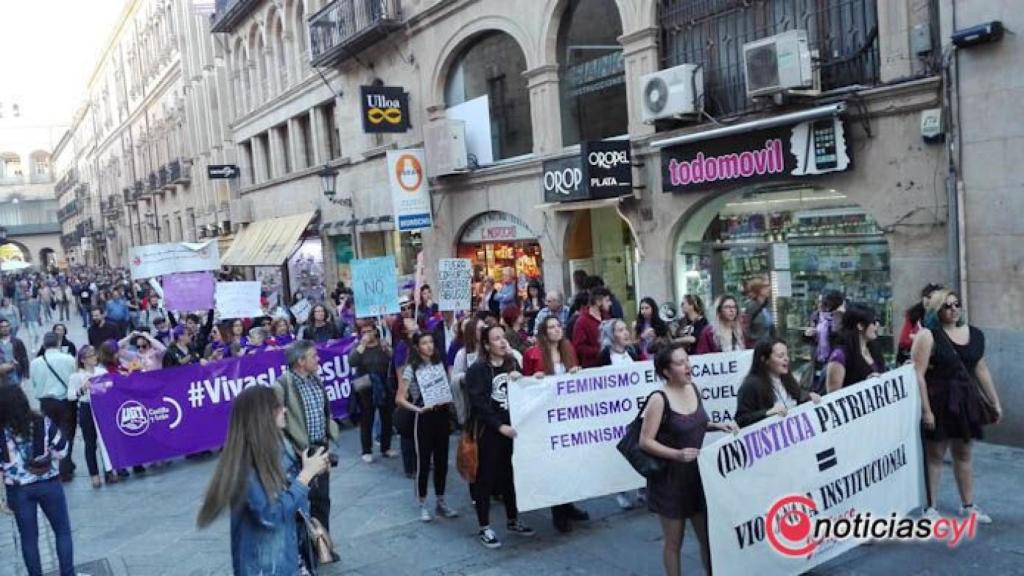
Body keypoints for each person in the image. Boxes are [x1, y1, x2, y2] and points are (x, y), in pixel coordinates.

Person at [196, 385, 330, 576]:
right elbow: (271, 514)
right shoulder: (246, 464)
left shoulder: (278, 448)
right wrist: (306, 475)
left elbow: (290, 499)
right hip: (267, 567)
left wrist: (309, 469)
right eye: (278, 407)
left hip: (290, 557)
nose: (284, 410)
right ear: (262, 416)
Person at [640, 343, 737, 576]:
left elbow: (696, 423)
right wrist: (677, 454)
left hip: (698, 476)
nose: (688, 366)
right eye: (680, 363)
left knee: (707, 537)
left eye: (687, 360)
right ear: (666, 371)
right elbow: (645, 441)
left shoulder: (693, 388)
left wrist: (716, 425)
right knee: (674, 543)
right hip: (669, 480)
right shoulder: (658, 399)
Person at [912, 289, 1002, 524]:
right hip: (938, 399)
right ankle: (930, 508)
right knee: (935, 455)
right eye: (946, 306)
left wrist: (995, 402)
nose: (953, 309)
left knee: (964, 453)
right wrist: (926, 409)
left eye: (956, 304)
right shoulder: (928, 336)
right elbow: (917, 375)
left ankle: (968, 504)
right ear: (936, 310)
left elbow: (980, 369)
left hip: (965, 399)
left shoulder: (975, 334)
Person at [466, 325, 535, 549]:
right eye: (496, 339)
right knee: (485, 478)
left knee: (509, 475)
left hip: (511, 430)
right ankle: (484, 526)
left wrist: (528, 380)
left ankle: (513, 519)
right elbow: (479, 405)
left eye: (503, 337)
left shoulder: (511, 363)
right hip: (489, 433)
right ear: (487, 345)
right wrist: (499, 426)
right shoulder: (478, 369)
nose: (503, 342)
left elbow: (521, 393)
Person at [523, 316, 591, 532]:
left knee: (570, 463)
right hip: (547, 417)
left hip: (568, 415)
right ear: (544, 332)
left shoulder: (568, 348)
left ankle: (569, 504)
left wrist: (576, 373)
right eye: (550, 327)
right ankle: (558, 512)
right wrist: (535, 378)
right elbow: (525, 387)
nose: (556, 330)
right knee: (554, 465)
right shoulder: (532, 354)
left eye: (557, 326)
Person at [274, 340, 341, 553]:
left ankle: (323, 546)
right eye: (313, 356)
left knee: (322, 500)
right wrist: (292, 449)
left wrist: (329, 437)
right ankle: (302, 551)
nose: (318, 359)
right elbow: (276, 421)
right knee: (298, 503)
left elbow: (323, 411)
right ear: (300, 361)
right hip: (298, 452)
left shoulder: (316, 380)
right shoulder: (282, 385)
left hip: (320, 448)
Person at [0, 386, 75, 576]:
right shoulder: (42, 422)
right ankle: (68, 573)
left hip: (18, 490)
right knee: (62, 531)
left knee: (28, 539)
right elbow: (62, 449)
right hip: (48, 483)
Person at [397, 332, 459, 522]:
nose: (429, 346)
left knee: (441, 461)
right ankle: (423, 503)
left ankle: (441, 501)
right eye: (424, 343)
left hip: (441, 414)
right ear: (417, 347)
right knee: (423, 462)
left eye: (431, 342)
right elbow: (399, 398)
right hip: (423, 417)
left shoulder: (439, 363)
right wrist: (418, 408)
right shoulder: (411, 369)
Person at [597, 318, 645, 510]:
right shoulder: (604, 357)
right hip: (614, 411)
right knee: (620, 450)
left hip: (636, 408)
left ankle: (642, 488)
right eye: (620, 330)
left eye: (626, 329)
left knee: (640, 447)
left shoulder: (633, 352)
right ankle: (621, 491)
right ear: (611, 335)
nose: (626, 333)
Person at [735, 339, 821, 428]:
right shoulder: (750, 385)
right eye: (780, 356)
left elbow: (798, 398)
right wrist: (767, 413)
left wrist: (808, 397)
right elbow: (741, 419)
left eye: (787, 355)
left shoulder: (788, 380)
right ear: (764, 359)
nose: (786, 359)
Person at [29, 333, 78, 483]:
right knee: (67, 433)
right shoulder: (68, 359)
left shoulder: (36, 362)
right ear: (58, 343)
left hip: (46, 402)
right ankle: (66, 467)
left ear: (44, 345)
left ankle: (54, 467)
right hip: (65, 401)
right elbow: (73, 379)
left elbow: (35, 383)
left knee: (49, 434)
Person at [348, 321, 395, 463]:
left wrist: (387, 349)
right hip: (366, 385)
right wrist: (362, 345)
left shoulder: (382, 344)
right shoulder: (358, 346)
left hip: (382, 383)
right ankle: (366, 450)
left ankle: (386, 447)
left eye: (370, 331)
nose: (367, 334)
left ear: (376, 331)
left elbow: (392, 359)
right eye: (364, 332)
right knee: (366, 418)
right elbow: (352, 362)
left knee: (386, 417)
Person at [68, 346, 114, 488]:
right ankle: (94, 475)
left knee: (107, 441)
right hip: (86, 408)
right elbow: (70, 396)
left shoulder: (101, 371)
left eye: (95, 354)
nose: (94, 357)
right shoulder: (76, 376)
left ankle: (110, 471)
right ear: (83, 360)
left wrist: (98, 386)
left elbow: (110, 385)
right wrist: (82, 388)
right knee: (90, 443)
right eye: (90, 355)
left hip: (103, 407)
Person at [825, 304, 887, 393]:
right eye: (873, 322)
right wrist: (863, 386)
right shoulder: (840, 356)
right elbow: (833, 397)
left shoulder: (872, 349)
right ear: (860, 326)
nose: (877, 326)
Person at [802, 290, 845, 392]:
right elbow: (809, 339)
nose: (820, 304)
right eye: (819, 301)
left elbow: (840, 337)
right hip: (817, 360)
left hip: (833, 361)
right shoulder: (816, 316)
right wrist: (807, 334)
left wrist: (837, 316)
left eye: (823, 301)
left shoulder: (840, 317)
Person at [898, 283, 944, 364]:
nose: (929, 301)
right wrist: (920, 340)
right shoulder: (913, 316)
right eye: (928, 297)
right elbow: (904, 341)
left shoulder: (945, 317)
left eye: (934, 298)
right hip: (914, 358)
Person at [450, 317, 482, 427]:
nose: (484, 331)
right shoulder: (462, 354)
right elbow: (454, 378)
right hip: (471, 403)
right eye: (480, 329)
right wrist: (467, 376)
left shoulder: (491, 350)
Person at [572, 287, 611, 368]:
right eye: (607, 301)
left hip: (609, 363)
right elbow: (579, 348)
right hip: (592, 367)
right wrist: (600, 351)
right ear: (598, 302)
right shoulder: (582, 322)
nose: (610, 303)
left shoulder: (607, 317)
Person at [0, 318, 30, 389]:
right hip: (1, 373)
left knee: (15, 396)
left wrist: (25, 375)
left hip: (15, 372)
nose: (5, 329)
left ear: (10, 327)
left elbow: (24, 358)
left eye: (6, 326)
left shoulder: (17, 342)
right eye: (2, 327)